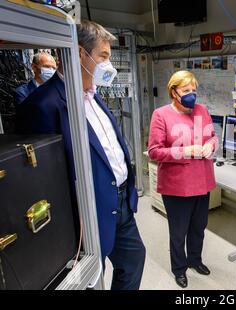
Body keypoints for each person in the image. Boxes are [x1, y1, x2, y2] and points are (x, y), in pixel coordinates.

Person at [17, 20, 145, 290]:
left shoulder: (94, 96)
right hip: (86, 214)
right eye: (103, 56)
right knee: (90, 280)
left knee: (133, 260)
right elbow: (41, 182)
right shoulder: (42, 106)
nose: (108, 65)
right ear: (78, 54)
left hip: (120, 203)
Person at [148, 70, 217, 288]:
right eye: (186, 90)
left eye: (194, 90)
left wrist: (210, 145)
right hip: (177, 186)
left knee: (199, 226)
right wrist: (187, 151)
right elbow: (154, 151)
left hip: (202, 180)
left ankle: (195, 259)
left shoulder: (202, 111)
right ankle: (179, 268)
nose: (192, 95)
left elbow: (213, 136)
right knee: (179, 231)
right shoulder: (161, 115)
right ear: (174, 92)